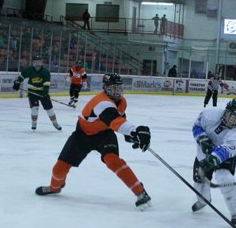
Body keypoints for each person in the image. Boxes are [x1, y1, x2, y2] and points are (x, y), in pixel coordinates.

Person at [34, 73, 153, 210]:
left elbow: (120, 118)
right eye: (113, 88)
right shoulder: (101, 102)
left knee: (113, 161)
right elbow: (115, 120)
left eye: (119, 88)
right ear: (105, 88)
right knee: (59, 169)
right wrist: (135, 131)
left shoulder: (122, 102)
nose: (117, 92)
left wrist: (131, 135)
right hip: (83, 135)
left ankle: (140, 192)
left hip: (104, 134)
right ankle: (55, 188)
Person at [191, 99, 236, 226]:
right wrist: (203, 139)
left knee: (225, 178)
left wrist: (213, 159)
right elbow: (197, 126)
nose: (232, 119)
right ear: (225, 111)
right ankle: (204, 200)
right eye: (230, 114)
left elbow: (224, 152)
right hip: (202, 154)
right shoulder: (209, 114)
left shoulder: (235, 138)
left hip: (223, 158)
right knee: (199, 182)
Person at [12, 55, 61, 131]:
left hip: (42, 92)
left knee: (49, 109)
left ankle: (55, 123)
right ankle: (34, 123)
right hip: (32, 92)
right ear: (33, 63)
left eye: (39, 62)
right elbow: (21, 77)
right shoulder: (29, 69)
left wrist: (45, 93)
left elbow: (46, 84)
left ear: (41, 63)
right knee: (35, 108)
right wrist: (17, 82)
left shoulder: (46, 72)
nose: (37, 64)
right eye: (35, 62)